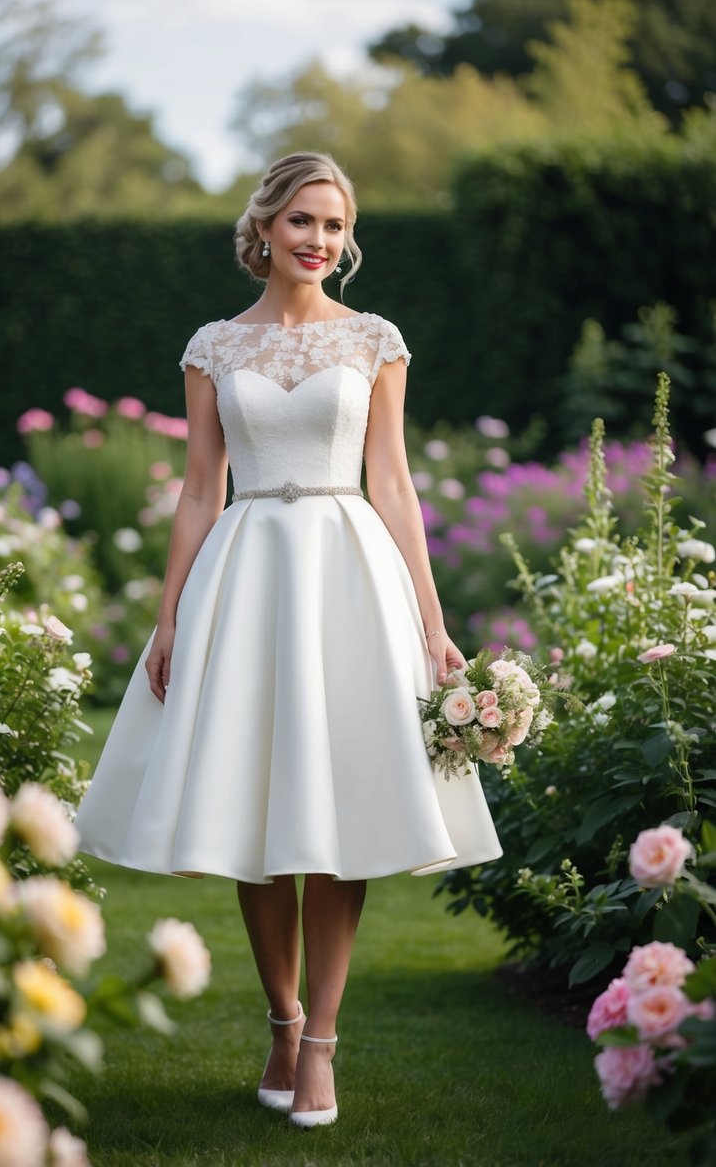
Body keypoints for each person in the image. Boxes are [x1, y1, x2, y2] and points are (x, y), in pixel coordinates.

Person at [75, 151, 502, 1128]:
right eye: (303, 220)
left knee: (337, 806)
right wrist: (170, 612)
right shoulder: (214, 348)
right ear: (264, 227)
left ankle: (321, 1044)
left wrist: (433, 625)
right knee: (254, 806)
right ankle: (280, 1013)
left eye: (336, 226)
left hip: (349, 573)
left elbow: (393, 482)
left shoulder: (374, 340)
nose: (319, 240)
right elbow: (197, 489)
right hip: (246, 574)